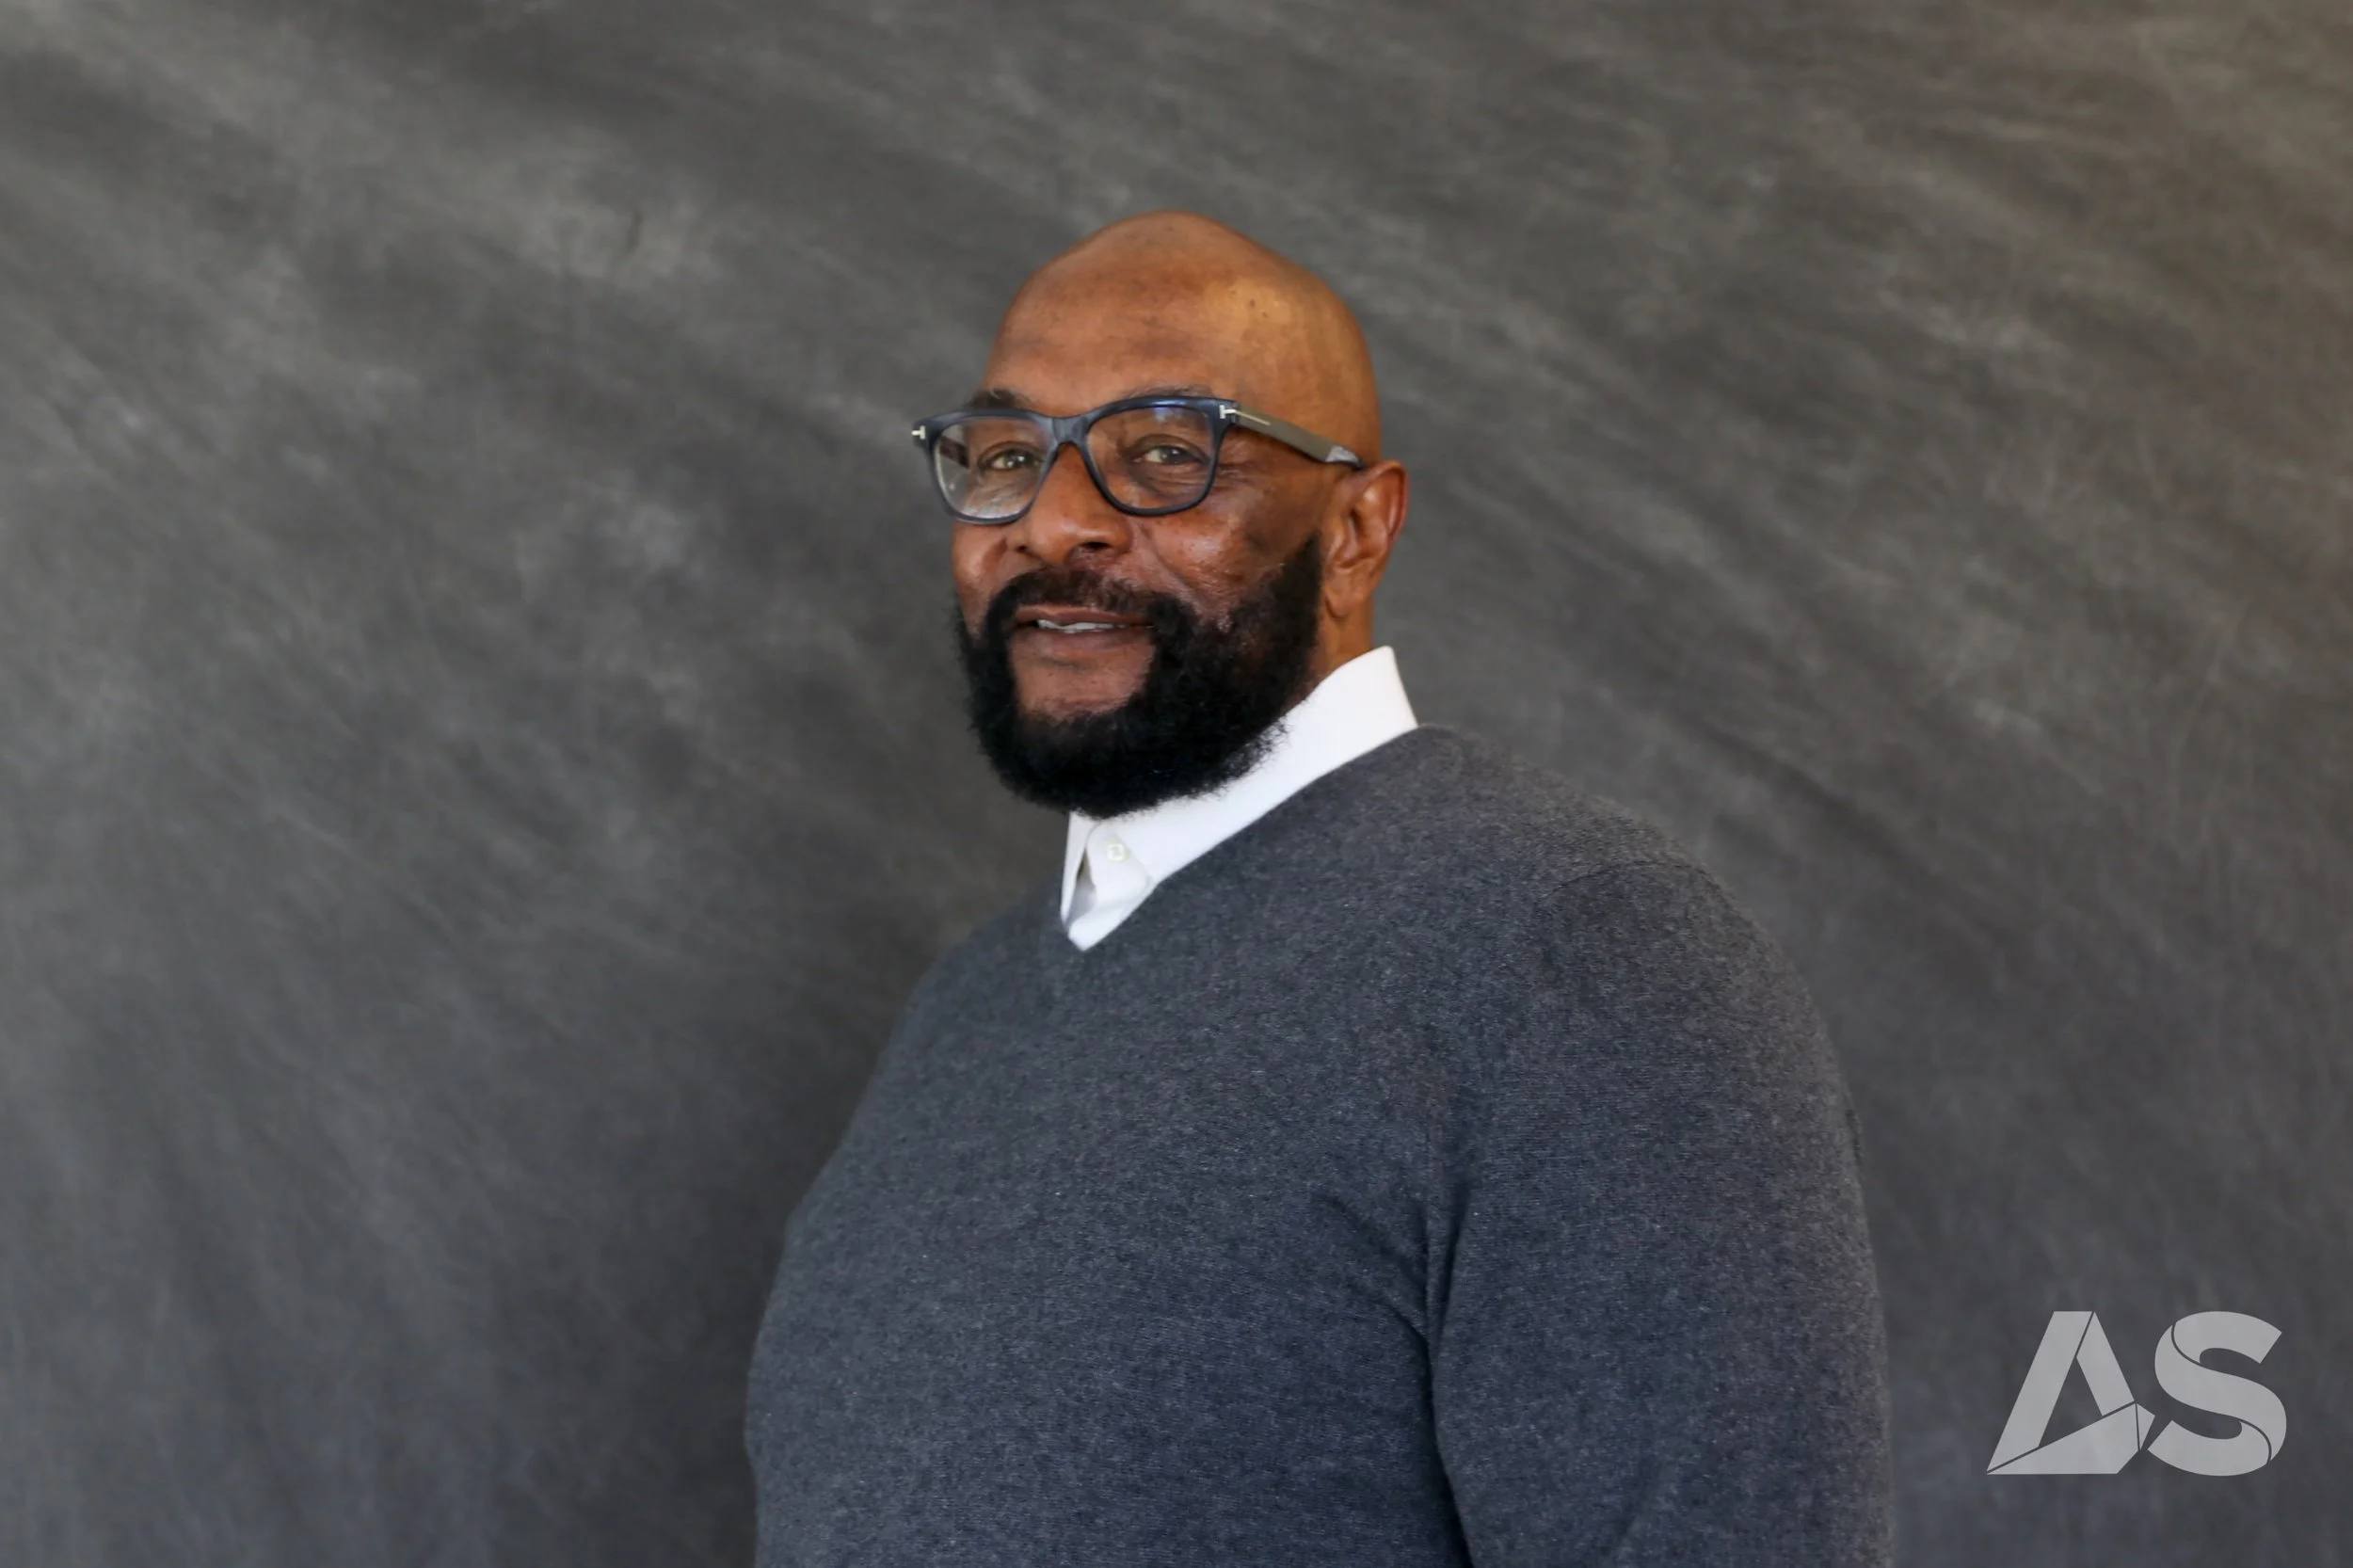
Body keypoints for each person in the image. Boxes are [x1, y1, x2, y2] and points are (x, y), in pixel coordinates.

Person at [744, 211, 1893, 1565]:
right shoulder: (968, 1007)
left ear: (1357, 530)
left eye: (1166, 456)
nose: (1056, 522)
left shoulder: (1575, 955)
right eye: (1004, 457)